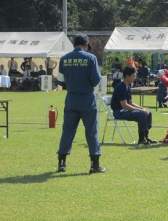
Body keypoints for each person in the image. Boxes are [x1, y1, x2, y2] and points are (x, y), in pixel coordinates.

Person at [56, 33, 105, 174]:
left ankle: (61, 163)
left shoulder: (64, 58)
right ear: (86, 45)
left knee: (67, 131)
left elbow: (60, 81)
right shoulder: (91, 58)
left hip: (71, 98)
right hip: (87, 99)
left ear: (74, 44)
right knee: (91, 131)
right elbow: (96, 79)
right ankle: (94, 165)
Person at [111, 66, 157, 145]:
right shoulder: (120, 87)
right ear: (127, 76)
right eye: (133, 76)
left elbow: (131, 103)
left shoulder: (128, 86)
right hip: (119, 111)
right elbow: (124, 105)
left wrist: (142, 108)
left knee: (148, 112)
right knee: (142, 114)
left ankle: (146, 136)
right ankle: (141, 138)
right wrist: (140, 110)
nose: (135, 78)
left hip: (125, 110)